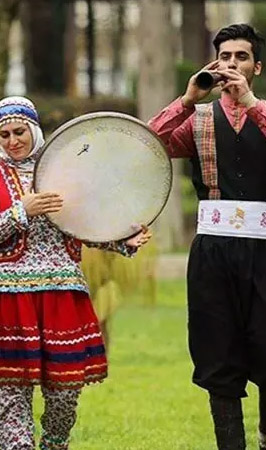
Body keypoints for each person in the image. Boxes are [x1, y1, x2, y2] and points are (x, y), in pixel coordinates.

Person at [0, 96, 152, 450]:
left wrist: (124, 240)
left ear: (34, 129)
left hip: (61, 294)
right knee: (10, 396)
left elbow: (86, 226)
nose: (12, 141)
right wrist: (23, 209)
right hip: (7, 298)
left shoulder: (64, 175)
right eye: (3, 135)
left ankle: (55, 443)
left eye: (19, 131)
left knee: (65, 391)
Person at [149, 24, 266, 450]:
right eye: (225, 57)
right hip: (213, 250)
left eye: (241, 57)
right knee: (218, 352)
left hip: (264, 249)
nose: (232, 64)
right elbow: (149, 142)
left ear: (257, 66)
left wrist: (250, 103)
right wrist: (185, 100)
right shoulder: (197, 120)